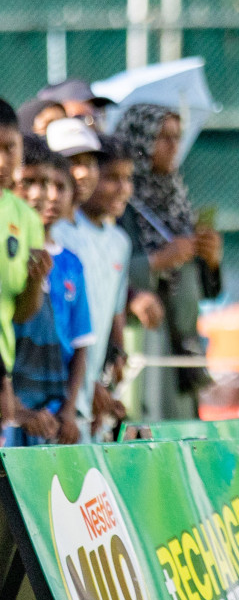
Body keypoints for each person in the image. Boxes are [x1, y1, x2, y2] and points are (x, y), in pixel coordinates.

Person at [116, 103, 223, 421]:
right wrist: (158, 260)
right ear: (140, 140)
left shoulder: (176, 197)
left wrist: (210, 259)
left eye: (177, 136)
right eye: (162, 137)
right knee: (151, 417)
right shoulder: (120, 200)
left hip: (183, 337)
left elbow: (206, 289)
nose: (173, 145)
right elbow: (110, 271)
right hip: (146, 333)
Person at [52, 134, 149, 440]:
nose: (123, 188)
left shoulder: (120, 242)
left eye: (128, 179)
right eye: (112, 178)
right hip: (58, 391)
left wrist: (115, 358)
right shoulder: (59, 232)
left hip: (89, 396)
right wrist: (86, 385)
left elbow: (113, 309)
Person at [11, 138, 92, 445]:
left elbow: (81, 343)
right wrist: (14, 408)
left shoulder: (70, 263)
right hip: (12, 407)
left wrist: (68, 411)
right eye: (29, 182)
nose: (42, 195)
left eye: (53, 185)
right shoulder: (9, 251)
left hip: (51, 414)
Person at [0, 100, 51, 436]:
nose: (3, 161)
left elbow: (20, 313)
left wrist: (35, 281)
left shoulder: (28, 219)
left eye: (10, 148)